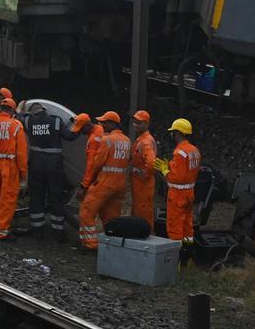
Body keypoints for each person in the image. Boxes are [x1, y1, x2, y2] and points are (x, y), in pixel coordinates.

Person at [77, 111, 130, 251]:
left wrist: (85, 184)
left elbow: (97, 164)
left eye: (105, 122)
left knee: (86, 211)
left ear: (113, 124)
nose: (102, 124)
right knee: (111, 217)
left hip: (105, 183)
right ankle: (112, 245)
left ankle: (91, 245)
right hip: (120, 185)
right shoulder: (127, 141)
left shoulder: (107, 140)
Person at [0, 98, 27, 241]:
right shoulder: (16, 126)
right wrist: (23, 173)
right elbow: (21, 153)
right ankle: (2, 230)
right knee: (6, 198)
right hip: (9, 165)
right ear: (12, 111)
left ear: (1, 109)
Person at [24, 101, 67, 240]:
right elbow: (70, 136)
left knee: (36, 196)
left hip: (36, 164)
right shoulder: (55, 121)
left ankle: (38, 230)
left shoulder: (28, 121)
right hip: (54, 165)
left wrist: (20, 108)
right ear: (45, 110)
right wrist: (79, 125)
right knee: (56, 196)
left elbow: (17, 117)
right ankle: (58, 231)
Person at [164, 118, 200, 243]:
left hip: (178, 195)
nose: (171, 134)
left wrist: (165, 171)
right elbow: (186, 172)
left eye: (173, 131)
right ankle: (187, 254)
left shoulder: (179, 152)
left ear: (178, 133)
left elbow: (177, 178)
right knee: (187, 224)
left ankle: (176, 257)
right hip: (189, 193)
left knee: (175, 225)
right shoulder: (194, 150)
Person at [130, 109, 158, 228]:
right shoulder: (142, 140)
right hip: (140, 184)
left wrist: (143, 174)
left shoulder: (145, 142)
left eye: (139, 122)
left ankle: (146, 237)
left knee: (143, 214)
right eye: (135, 122)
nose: (135, 124)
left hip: (143, 185)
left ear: (146, 124)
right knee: (138, 212)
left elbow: (151, 163)